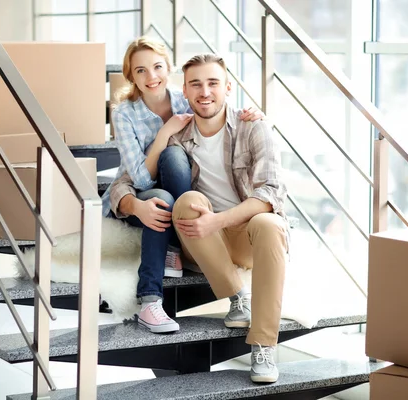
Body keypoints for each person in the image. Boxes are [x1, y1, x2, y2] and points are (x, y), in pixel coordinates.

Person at [102, 38, 263, 334]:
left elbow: (214, 104)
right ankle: (150, 301)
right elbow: (138, 179)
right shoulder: (124, 113)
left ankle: (176, 242)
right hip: (143, 192)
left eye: (157, 67)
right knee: (164, 180)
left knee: (175, 159)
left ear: (168, 67)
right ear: (131, 76)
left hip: (179, 191)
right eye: (140, 71)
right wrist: (166, 131)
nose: (151, 77)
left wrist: (251, 115)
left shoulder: (182, 97)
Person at [170, 54, 288, 383]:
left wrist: (219, 220)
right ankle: (238, 297)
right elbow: (128, 179)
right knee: (188, 201)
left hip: (247, 236)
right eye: (196, 84)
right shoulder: (178, 136)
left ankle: (264, 345)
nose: (204, 91)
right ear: (185, 91)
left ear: (228, 88)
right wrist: (132, 204)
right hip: (207, 243)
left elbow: (271, 192)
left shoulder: (254, 126)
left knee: (270, 222)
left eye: (212, 83)